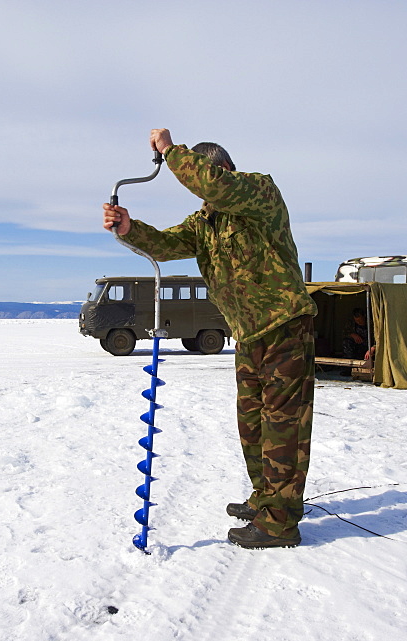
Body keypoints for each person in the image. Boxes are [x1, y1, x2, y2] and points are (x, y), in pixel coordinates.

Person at [102, 129, 317, 549]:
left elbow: (213, 184)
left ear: (223, 171)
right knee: (252, 424)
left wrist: (170, 150)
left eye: (204, 178)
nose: (202, 193)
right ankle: (265, 499)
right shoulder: (206, 224)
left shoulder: (260, 194)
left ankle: (281, 522)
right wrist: (129, 229)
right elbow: (165, 244)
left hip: (284, 326)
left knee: (282, 427)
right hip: (249, 334)